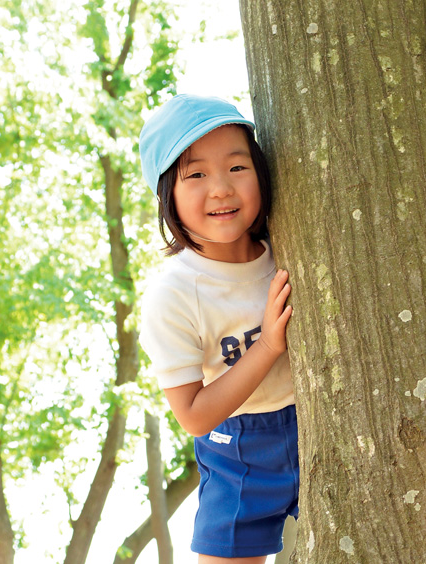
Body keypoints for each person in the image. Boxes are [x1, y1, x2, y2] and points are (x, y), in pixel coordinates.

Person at [137, 94, 296, 564]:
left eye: (237, 167)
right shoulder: (175, 294)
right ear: (168, 195)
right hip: (238, 450)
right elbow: (193, 416)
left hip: (318, 420)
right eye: (197, 175)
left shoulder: (290, 243)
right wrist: (266, 345)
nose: (222, 189)